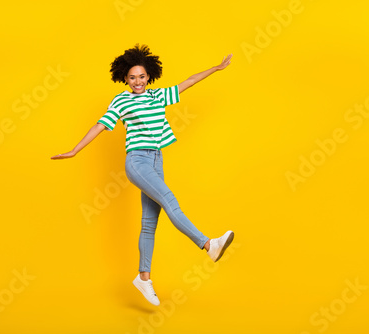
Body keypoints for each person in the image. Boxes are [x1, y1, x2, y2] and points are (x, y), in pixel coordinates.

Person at [51, 44, 234, 306]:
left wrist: (216, 69)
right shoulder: (122, 101)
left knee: (150, 223)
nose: (137, 81)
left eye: (141, 76)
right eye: (132, 77)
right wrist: (74, 150)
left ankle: (143, 278)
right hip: (138, 161)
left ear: (149, 76)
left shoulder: (158, 96)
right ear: (125, 78)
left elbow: (189, 82)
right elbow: (101, 125)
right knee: (170, 201)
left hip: (157, 159)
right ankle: (208, 245)